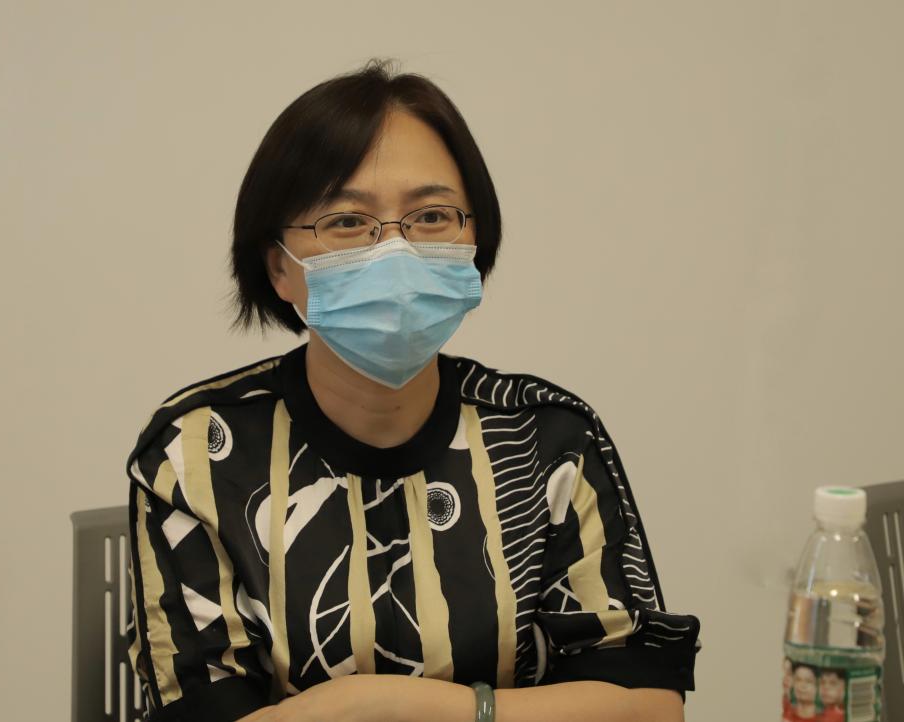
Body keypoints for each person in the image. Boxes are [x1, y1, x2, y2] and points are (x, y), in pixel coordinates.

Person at [124, 58, 701, 722]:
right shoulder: (197, 454)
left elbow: (645, 705)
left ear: (474, 240)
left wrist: (374, 703)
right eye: (348, 222)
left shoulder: (545, 438)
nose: (395, 252)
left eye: (431, 216)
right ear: (279, 266)